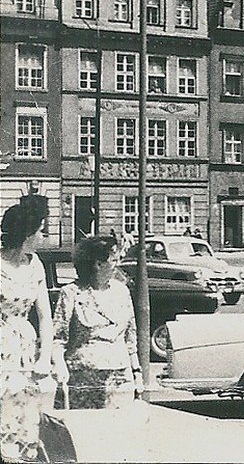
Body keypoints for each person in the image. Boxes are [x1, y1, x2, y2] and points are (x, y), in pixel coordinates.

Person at [1, 194, 61, 462]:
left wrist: (44, 357)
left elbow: (45, 316)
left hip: (25, 347)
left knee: (26, 421)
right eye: (39, 230)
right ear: (26, 233)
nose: (42, 235)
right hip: (2, 347)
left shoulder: (35, 264)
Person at [54, 235, 140, 409]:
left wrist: (137, 373)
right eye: (113, 260)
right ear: (97, 264)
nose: (117, 265)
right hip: (83, 379)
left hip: (120, 377)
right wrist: (59, 366)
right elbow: (58, 338)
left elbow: (130, 340)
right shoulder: (71, 293)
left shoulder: (122, 292)